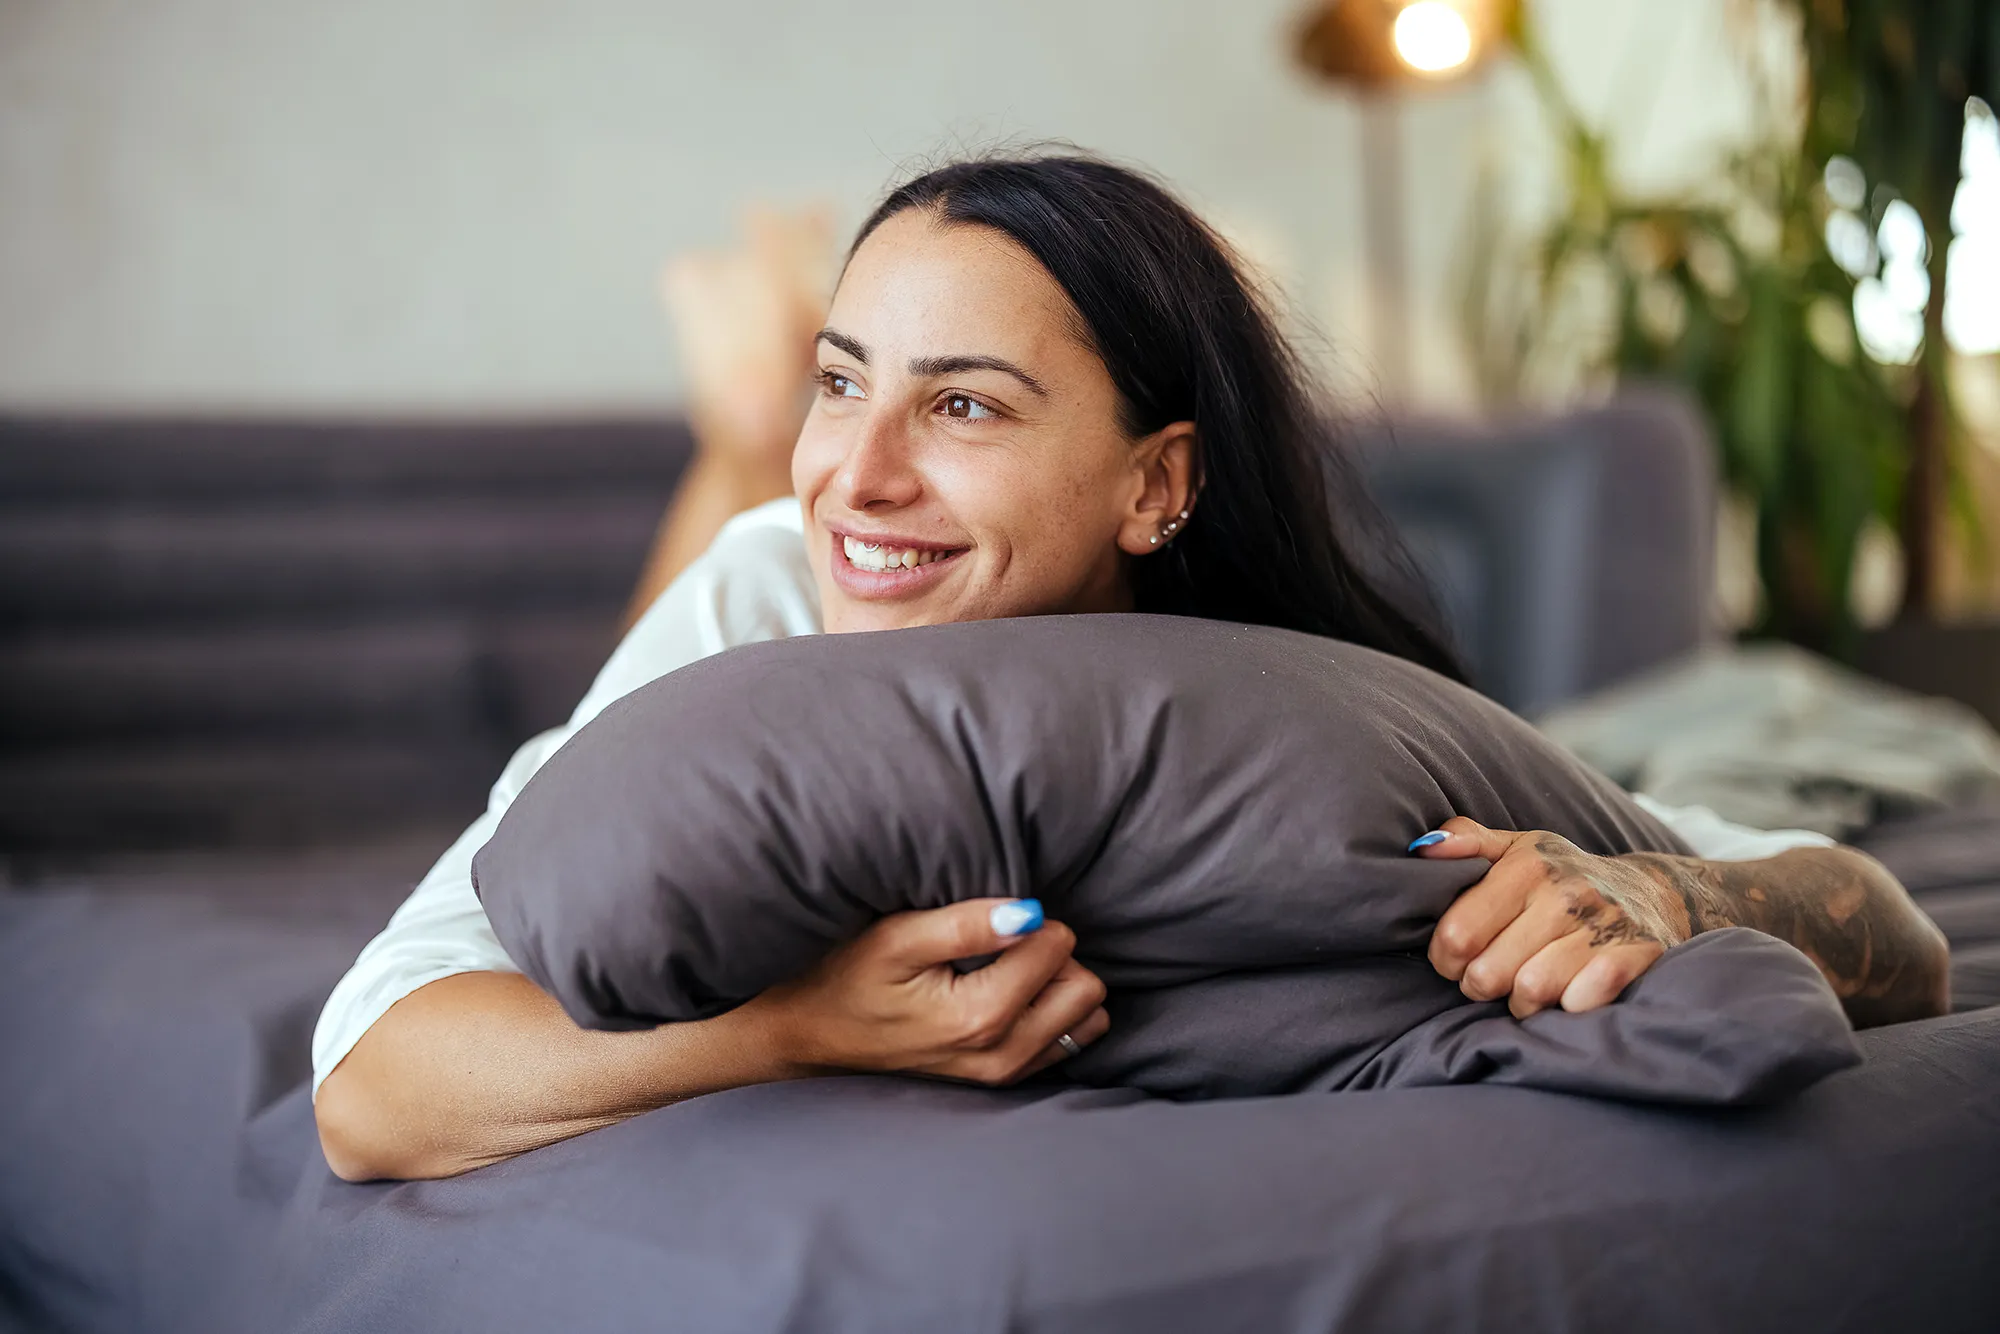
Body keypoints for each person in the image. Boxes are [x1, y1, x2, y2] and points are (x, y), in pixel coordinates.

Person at [312, 153, 1949, 1183]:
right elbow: (372, 1088)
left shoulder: (1288, 728)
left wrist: (1674, 899)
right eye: (838, 382)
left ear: (1158, 483)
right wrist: (796, 1030)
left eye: (962, 405)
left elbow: (1893, 934)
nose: (856, 475)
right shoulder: (764, 590)